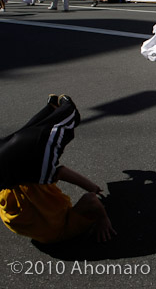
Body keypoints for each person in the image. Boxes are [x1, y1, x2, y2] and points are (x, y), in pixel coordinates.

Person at [0, 94, 115, 244]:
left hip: (25, 184)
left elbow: (90, 199)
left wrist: (93, 191)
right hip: (13, 186)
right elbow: (88, 197)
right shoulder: (60, 229)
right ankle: (54, 110)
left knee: (41, 139)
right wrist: (102, 217)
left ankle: (64, 110)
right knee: (23, 136)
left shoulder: (60, 226)